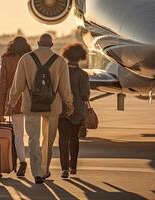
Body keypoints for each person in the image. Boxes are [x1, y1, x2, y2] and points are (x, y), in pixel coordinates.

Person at [8, 33, 74, 184]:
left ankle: (36, 172)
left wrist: (12, 102)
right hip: (53, 107)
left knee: (33, 138)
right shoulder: (60, 61)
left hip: (31, 106)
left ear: (38, 43)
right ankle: (44, 170)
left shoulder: (26, 59)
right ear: (51, 45)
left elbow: (17, 86)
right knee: (48, 140)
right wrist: (69, 103)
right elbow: (65, 88)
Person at [0, 36, 32, 177]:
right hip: (29, 100)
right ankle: (39, 165)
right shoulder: (30, 58)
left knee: (18, 135)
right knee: (33, 134)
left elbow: (3, 85)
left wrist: (1, 110)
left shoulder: (6, 59)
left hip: (13, 101)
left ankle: (22, 161)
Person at [59, 43, 90, 178]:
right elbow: (85, 94)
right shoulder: (83, 74)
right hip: (77, 111)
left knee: (63, 140)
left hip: (62, 110)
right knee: (74, 139)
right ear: (80, 58)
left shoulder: (61, 72)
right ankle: (73, 167)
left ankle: (64, 168)